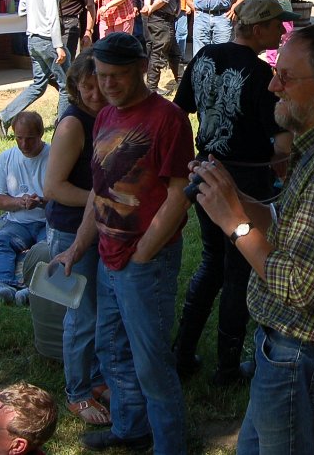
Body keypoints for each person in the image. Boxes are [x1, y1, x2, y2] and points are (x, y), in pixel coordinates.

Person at [191, 23, 314, 455]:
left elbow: (298, 286)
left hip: (301, 354)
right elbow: (285, 223)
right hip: (285, 347)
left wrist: (235, 223)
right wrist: (231, 195)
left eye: (286, 76)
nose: (273, 85)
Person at [53, 32, 194, 454]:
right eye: (100, 75)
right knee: (111, 347)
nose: (108, 85)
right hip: (106, 254)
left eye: (117, 76)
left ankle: (170, 445)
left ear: (138, 71)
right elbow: (100, 190)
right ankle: (131, 428)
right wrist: (78, 246)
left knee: (151, 361)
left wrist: (144, 252)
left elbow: (178, 193)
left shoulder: (167, 118)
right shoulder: (105, 118)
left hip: (144, 261)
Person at [172, 0, 293, 386]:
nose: (282, 30)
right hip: (246, 180)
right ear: (257, 29)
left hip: (206, 172)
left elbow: (182, 108)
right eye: (277, 24)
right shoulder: (260, 73)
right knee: (238, 268)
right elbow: (281, 144)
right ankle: (226, 369)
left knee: (212, 262)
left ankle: (182, 351)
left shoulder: (204, 54)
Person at [41, 52, 110, 426]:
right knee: (81, 313)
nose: (96, 92)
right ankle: (77, 392)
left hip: (100, 225)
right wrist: (104, 201)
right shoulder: (73, 125)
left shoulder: (106, 114)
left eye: (100, 83)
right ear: (75, 87)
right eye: (87, 86)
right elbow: (52, 188)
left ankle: (96, 378)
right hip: (71, 228)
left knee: (98, 309)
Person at [0, 0, 67, 138]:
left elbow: (22, 10)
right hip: (47, 40)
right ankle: (63, 127)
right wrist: (58, 45)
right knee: (68, 84)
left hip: (32, 39)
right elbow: (52, 16)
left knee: (38, 85)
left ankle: (5, 116)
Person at [0, 111, 50, 306]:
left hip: (47, 221)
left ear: (41, 134)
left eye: (30, 139)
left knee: (49, 250)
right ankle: (4, 284)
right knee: (0, 241)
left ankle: (31, 289)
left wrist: (40, 201)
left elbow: (65, 198)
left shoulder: (55, 156)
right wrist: (19, 202)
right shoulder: (6, 159)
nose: (24, 145)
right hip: (18, 223)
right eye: (19, 138)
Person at [140, 0, 183, 92]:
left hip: (157, 19)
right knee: (158, 54)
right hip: (162, 21)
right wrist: (150, 8)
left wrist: (147, 6)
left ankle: (182, 83)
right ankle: (151, 89)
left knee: (174, 53)